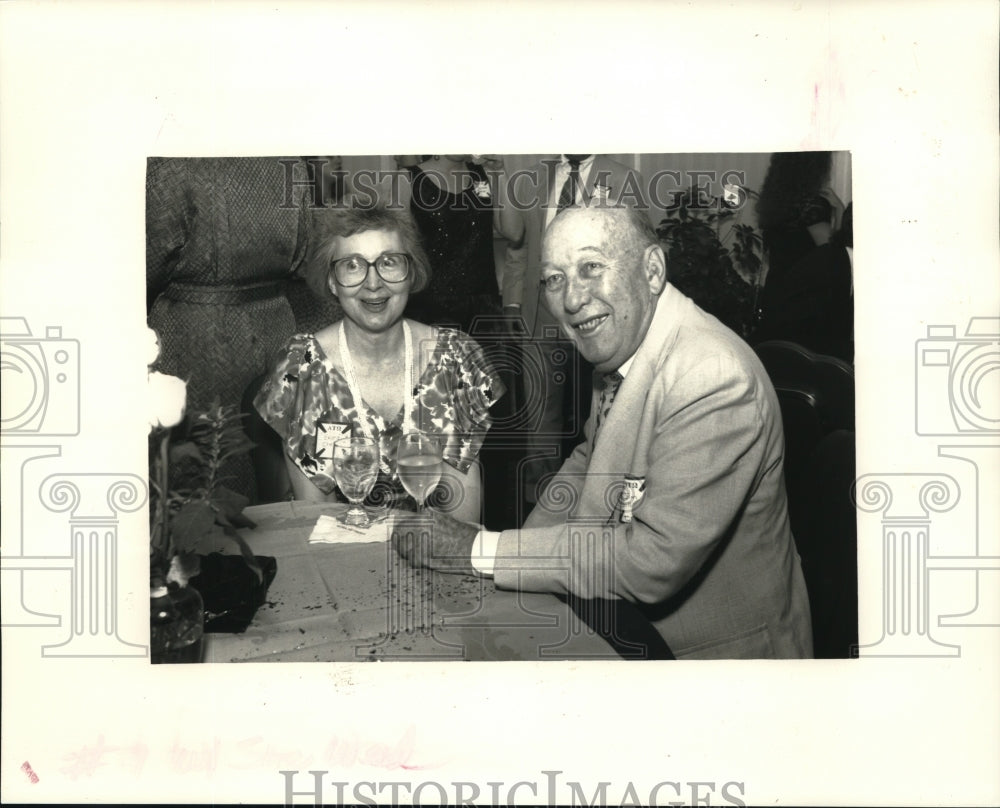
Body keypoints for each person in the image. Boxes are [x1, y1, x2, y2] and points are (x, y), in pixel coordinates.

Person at [393, 204, 813, 659]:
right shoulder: (631, 336)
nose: (572, 299)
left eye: (591, 267)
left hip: (713, 662)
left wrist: (481, 550)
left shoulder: (711, 376)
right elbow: (588, 463)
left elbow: (651, 563)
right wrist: (517, 563)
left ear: (652, 270)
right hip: (623, 626)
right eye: (554, 279)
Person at [253, 203, 505, 523]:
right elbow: (317, 518)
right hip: (340, 552)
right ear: (332, 281)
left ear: (411, 273)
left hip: (434, 552)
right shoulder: (301, 371)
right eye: (353, 265)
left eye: (389, 262)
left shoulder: (456, 360)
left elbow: (463, 513)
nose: (373, 283)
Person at [496, 154, 649, 507]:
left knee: (604, 415)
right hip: (543, 314)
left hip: (599, 316)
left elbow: (637, 249)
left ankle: (600, 504)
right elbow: (520, 247)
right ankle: (541, 510)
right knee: (540, 420)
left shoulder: (623, 178)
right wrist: (514, 302)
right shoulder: (534, 179)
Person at [400, 154, 505, 334]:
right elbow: (398, 249)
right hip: (430, 307)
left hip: (483, 306)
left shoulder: (481, 177)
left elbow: (513, 232)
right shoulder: (407, 179)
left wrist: (500, 173)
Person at [753, 202, 854, 363]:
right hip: (786, 365)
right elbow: (824, 342)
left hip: (792, 356)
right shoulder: (830, 267)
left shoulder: (836, 258)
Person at [755, 151, 845, 287]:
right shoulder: (811, 204)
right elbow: (832, 254)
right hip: (802, 293)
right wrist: (840, 210)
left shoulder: (774, 200)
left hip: (776, 288)